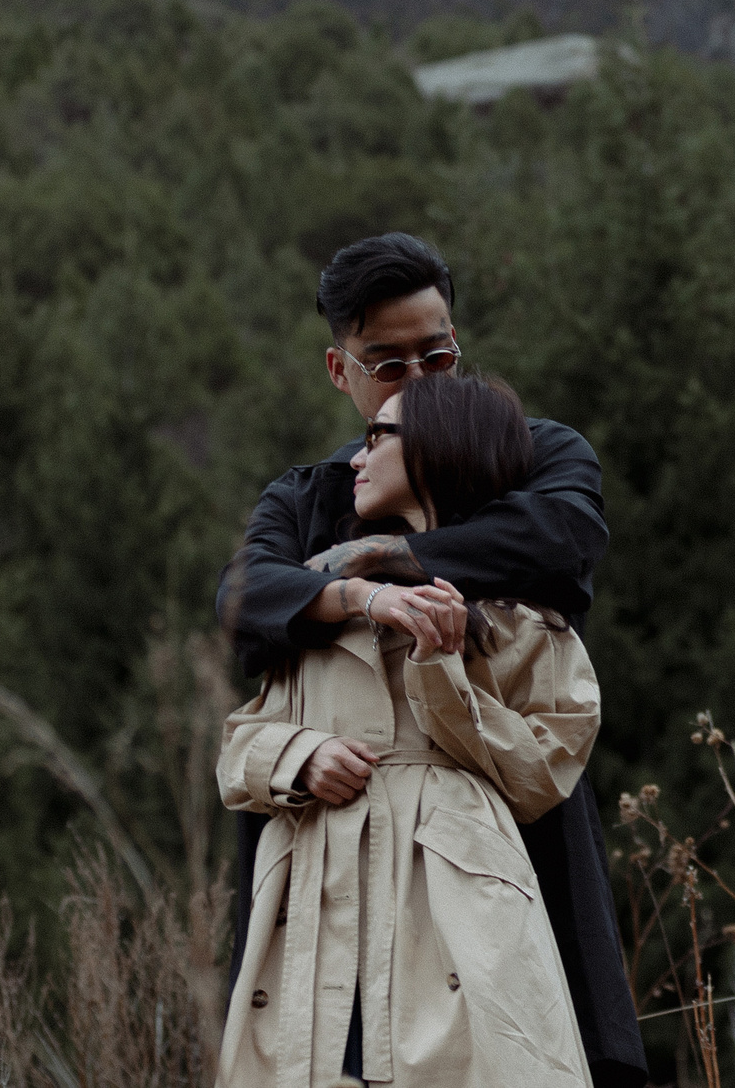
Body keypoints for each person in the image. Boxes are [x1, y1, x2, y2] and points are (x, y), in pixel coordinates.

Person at [217, 233, 644, 1088]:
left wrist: (390, 560)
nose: (420, 380)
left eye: (439, 354)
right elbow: (243, 601)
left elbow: (562, 539)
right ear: (340, 370)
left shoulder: (528, 451)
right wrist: (355, 599)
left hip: (491, 844)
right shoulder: (312, 494)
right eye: (388, 364)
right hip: (325, 859)